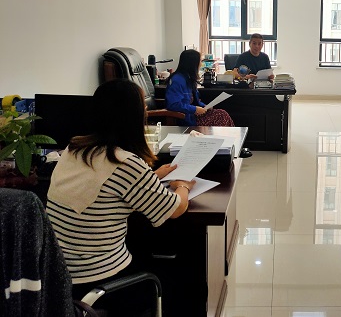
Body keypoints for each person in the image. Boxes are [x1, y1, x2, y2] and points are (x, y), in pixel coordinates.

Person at [46, 79, 196, 302]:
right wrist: (183, 185)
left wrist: (153, 176)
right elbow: (175, 209)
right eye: (143, 107)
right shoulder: (125, 163)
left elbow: (101, 189)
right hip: (97, 280)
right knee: (185, 278)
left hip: (56, 275)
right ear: (133, 117)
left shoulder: (74, 148)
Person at [166, 49, 235, 127]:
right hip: (186, 118)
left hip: (194, 115)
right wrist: (195, 109)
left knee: (222, 113)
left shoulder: (189, 78)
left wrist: (204, 106)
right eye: (200, 61)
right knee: (221, 117)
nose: (201, 64)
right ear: (192, 63)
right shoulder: (177, 80)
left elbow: (195, 101)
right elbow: (173, 104)